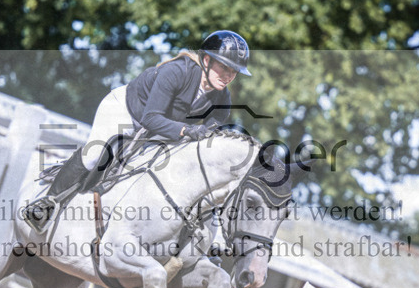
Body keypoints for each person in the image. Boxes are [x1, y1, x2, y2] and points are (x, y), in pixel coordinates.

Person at [24, 30, 252, 232]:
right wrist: (188, 130)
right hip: (127, 111)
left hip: (162, 128)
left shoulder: (223, 99)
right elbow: (151, 118)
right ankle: (46, 204)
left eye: (234, 71)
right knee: (96, 155)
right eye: (224, 67)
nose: (229, 75)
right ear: (206, 59)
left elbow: (205, 139)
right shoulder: (177, 72)